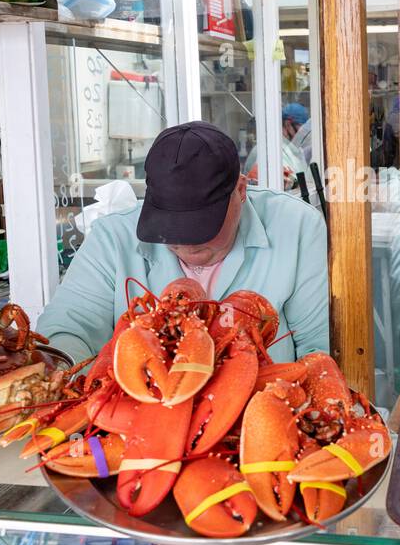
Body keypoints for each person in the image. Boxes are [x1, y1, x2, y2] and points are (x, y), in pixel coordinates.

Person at [38, 121, 329, 364]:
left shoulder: (297, 226)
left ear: (240, 191)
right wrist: (62, 371)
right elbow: (67, 330)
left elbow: (315, 350)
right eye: (170, 227)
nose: (185, 244)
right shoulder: (112, 238)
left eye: (200, 225)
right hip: (138, 418)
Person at [245, 102, 309, 186]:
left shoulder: (295, 149)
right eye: (302, 128)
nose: (304, 133)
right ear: (288, 124)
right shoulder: (271, 149)